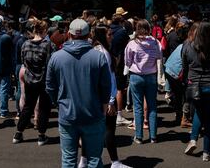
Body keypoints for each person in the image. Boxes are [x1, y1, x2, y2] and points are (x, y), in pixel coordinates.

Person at [46, 19, 111, 167]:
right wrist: (104, 105)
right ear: (89, 35)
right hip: (93, 113)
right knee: (94, 159)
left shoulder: (57, 57)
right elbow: (106, 86)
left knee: (68, 160)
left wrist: (58, 102)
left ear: (69, 34)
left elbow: (50, 86)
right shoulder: (98, 56)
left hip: (67, 114)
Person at [79, 24, 131, 168]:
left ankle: (83, 160)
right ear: (102, 36)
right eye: (109, 34)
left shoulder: (93, 50)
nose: (112, 36)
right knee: (108, 130)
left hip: (94, 98)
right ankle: (114, 162)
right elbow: (109, 79)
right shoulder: (103, 53)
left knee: (90, 131)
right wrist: (111, 100)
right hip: (105, 98)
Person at [182, 22, 210, 162]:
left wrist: (187, 81)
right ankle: (206, 151)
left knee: (199, 112)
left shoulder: (189, 45)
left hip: (194, 85)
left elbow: (185, 66)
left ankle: (193, 139)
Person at [12, 19, 54, 146]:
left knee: (27, 107)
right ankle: (41, 135)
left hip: (29, 79)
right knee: (44, 108)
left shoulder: (25, 44)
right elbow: (50, 64)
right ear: (45, 31)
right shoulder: (48, 45)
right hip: (44, 79)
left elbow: (23, 62)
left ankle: (18, 133)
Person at [124, 19, 163, 144]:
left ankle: (139, 136)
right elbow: (159, 57)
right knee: (152, 106)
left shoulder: (132, 44)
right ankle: (153, 136)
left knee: (138, 106)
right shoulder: (155, 42)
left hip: (136, 75)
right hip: (151, 75)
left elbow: (127, 61)